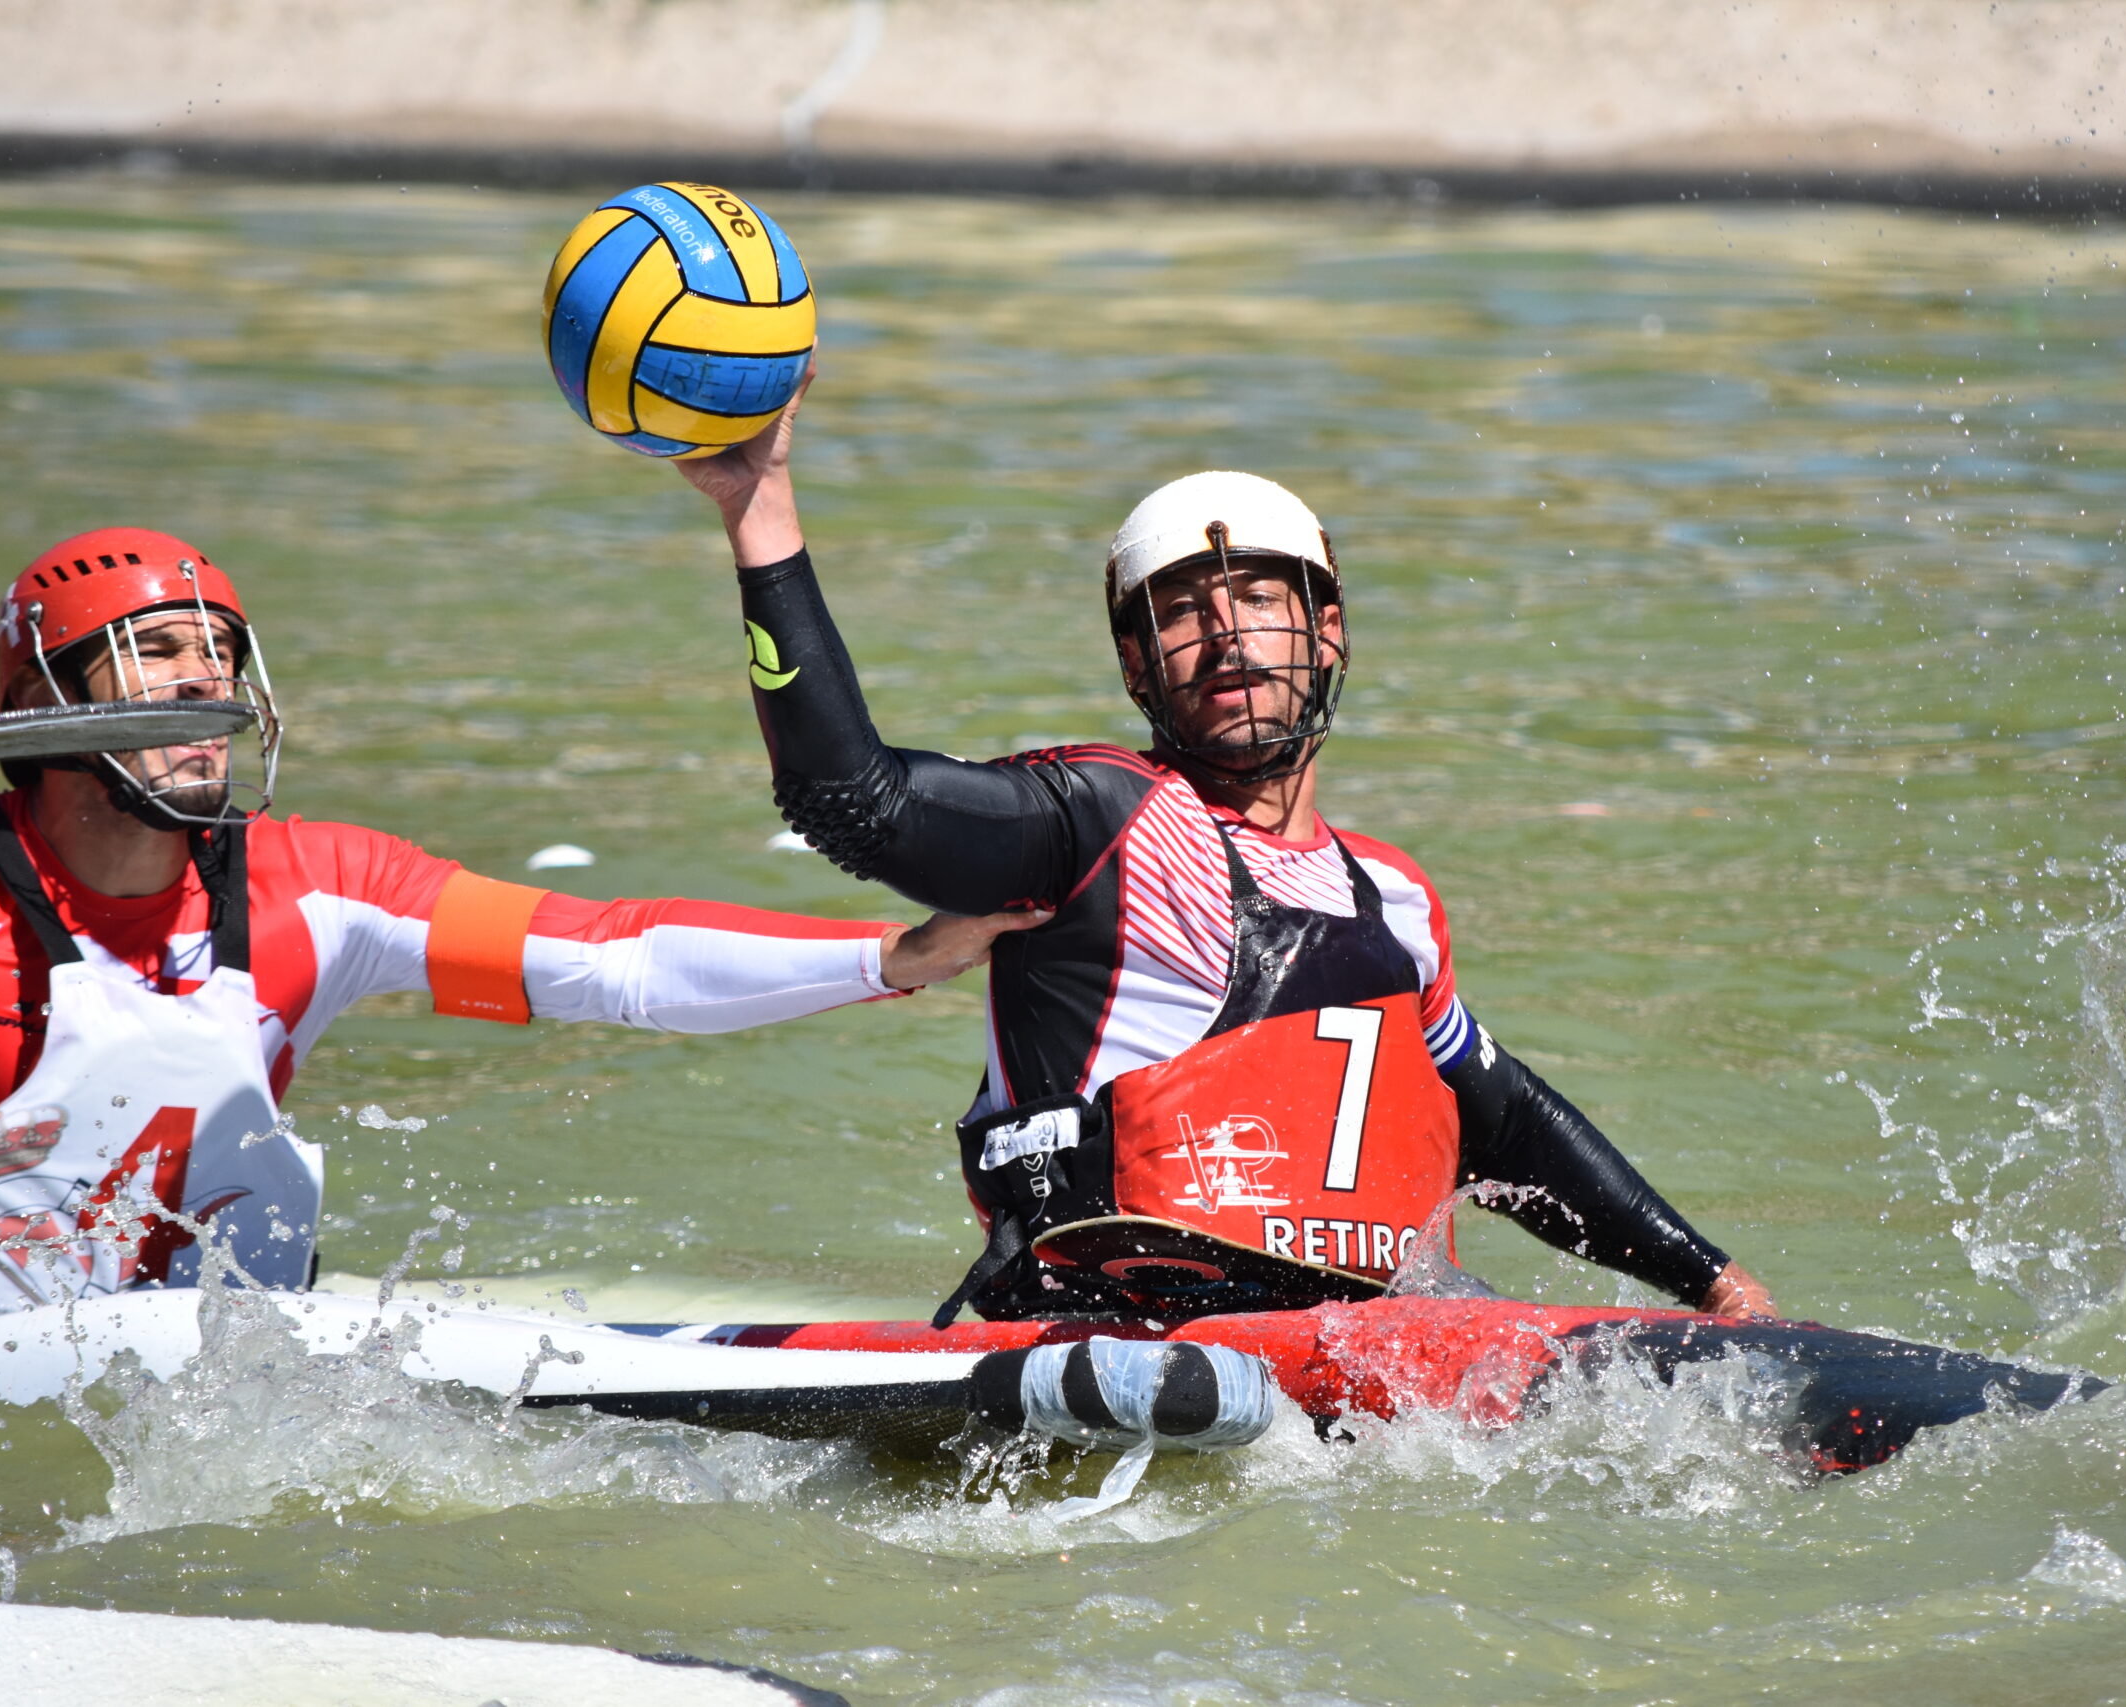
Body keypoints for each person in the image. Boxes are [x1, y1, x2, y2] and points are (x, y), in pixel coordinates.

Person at [678, 380, 1777, 1325]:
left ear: (1326, 629)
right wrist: (759, 506)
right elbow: (849, 803)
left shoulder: (1393, 898)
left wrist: (1715, 1285)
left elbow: (1503, 1122)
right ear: (1136, 665)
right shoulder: (1093, 822)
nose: (1227, 636)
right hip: (1100, 1336)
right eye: (1183, 614)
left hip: (1347, 1356)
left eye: (1258, 597)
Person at [0, 526, 1038, 1329]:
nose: (206, 683)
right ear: (46, 704)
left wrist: (895, 958)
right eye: (157, 651)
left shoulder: (318, 886)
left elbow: (619, 958)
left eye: (221, 654)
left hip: (205, 1394)